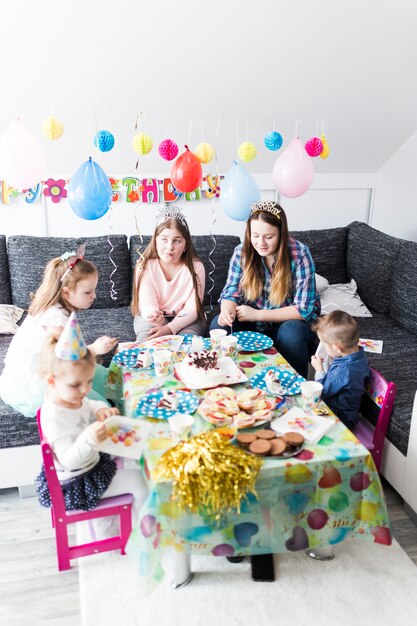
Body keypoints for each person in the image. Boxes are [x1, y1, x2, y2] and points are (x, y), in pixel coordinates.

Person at [35, 314, 147, 517]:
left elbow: (88, 403)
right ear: (52, 381)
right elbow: (68, 460)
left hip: (89, 460)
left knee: (135, 441)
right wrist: (88, 438)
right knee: (141, 481)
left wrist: (99, 409)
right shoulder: (55, 417)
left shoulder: (69, 396)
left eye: (89, 381)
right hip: (78, 481)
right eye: (76, 385)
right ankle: (143, 535)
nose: (85, 390)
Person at [0, 245, 117, 417]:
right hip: (37, 380)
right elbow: (62, 361)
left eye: (94, 289)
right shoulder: (54, 317)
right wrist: (94, 349)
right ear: (66, 293)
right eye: (88, 292)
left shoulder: (59, 308)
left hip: (53, 367)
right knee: (95, 403)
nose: (94, 296)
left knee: (103, 378)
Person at [210, 201, 320, 378]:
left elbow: (303, 309)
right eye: (255, 235)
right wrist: (227, 311)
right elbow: (230, 292)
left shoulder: (299, 253)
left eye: (269, 237)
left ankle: (296, 385)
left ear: (281, 234)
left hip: (289, 321)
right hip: (251, 320)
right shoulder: (241, 252)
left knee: (291, 334)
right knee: (219, 324)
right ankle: (229, 378)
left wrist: (257, 314)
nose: (260, 243)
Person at [131, 206, 206, 342]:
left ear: (186, 245)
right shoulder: (145, 266)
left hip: (186, 318)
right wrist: (156, 317)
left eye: (177, 240)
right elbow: (148, 305)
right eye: (164, 239)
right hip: (151, 317)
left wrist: (170, 328)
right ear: (155, 240)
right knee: (146, 343)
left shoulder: (196, 267)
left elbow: (192, 308)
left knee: (187, 345)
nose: (170, 247)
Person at [310, 310, 370, 430]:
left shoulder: (344, 370)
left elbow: (322, 390)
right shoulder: (360, 357)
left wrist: (319, 369)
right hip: (349, 414)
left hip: (339, 418)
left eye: (325, 345)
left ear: (337, 348)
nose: (325, 348)